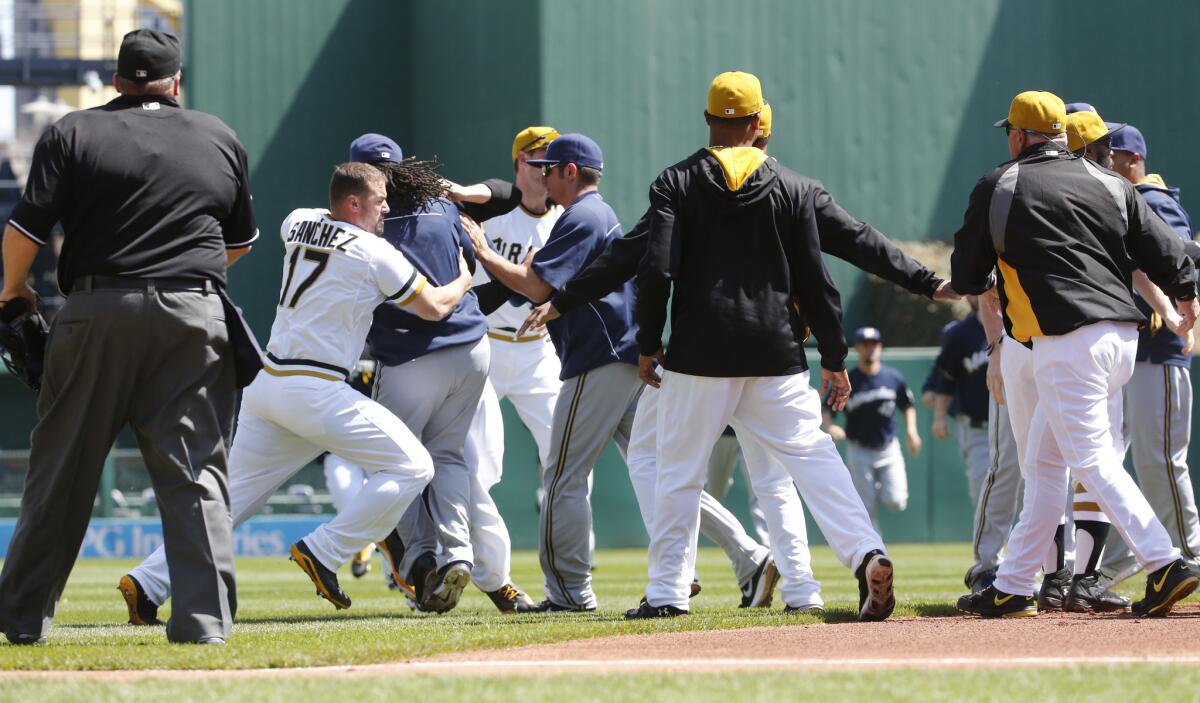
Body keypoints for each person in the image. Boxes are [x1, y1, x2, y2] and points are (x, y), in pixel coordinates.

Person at [121, 164, 472, 635]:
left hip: (268, 386)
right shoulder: (375, 252)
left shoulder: (297, 220)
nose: (387, 207)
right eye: (380, 198)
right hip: (314, 387)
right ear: (353, 204)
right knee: (414, 466)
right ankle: (324, 551)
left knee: (230, 501)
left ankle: (146, 581)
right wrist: (465, 279)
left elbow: (318, 237)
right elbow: (434, 307)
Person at [0, 29, 257, 646]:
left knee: (61, 470)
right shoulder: (217, 134)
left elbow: (25, 232)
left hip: (97, 307)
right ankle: (202, 625)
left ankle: (19, 621)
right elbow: (240, 243)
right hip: (193, 312)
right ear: (176, 84)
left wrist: (13, 293)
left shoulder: (73, 131)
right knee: (195, 473)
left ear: (116, 80)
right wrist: (184, 277)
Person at [629, 70, 894, 621]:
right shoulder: (793, 186)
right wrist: (835, 357)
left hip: (699, 354)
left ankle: (667, 595)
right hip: (776, 354)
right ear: (756, 123)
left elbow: (655, 269)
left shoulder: (673, 182)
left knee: (679, 473)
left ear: (708, 121)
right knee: (816, 459)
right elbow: (817, 279)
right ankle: (866, 553)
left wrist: (649, 341)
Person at [952, 90, 1199, 619]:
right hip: (1121, 340)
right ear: (1064, 135)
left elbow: (967, 275)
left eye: (1010, 134)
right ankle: (1015, 584)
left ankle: (1165, 562)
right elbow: (1164, 248)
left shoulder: (1000, 184)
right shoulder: (1110, 181)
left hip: (1067, 340)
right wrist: (1186, 293)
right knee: (1044, 465)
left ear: (1018, 136)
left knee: (1090, 459)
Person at [352, 134, 534, 615]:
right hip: (473, 349)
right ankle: (458, 553)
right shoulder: (440, 204)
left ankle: (425, 559)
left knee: (396, 462)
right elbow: (494, 216)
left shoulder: (365, 221)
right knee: (449, 458)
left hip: (411, 356)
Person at [467, 133, 639, 612]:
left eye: (550, 166)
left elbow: (534, 283)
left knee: (562, 474)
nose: (542, 174)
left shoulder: (581, 216)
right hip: (620, 355)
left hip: (596, 358)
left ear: (570, 171)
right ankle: (740, 559)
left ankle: (569, 592)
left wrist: (484, 253)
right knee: (653, 469)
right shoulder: (594, 214)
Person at [1099, 122, 1200, 584]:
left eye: (1110, 152)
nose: (1103, 158)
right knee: (1116, 464)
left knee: (1160, 461)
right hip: (1131, 354)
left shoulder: (1155, 201)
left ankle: (1192, 556)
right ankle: (1116, 563)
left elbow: (1182, 259)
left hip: (1159, 352)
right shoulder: (1123, 200)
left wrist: (1169, 301)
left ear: (1132, 159)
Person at [824, 327, 921, 530]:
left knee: (896, 501)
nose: (870, 349)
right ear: (858, 348)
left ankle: (877, 485)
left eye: (874, 344)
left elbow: (907, 405)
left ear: (880, 346)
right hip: (859, 449)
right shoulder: (848, 381)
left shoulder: (893, 377)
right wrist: (830, 426)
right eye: (865, 344)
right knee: (865, 509)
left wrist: (911, 431)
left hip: (888, 447)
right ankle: (876, 548)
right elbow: (827, 409)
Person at [931, 297, 992, 508]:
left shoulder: (1015, 325)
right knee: (984, 498)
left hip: (1017, 427)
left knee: (1028, 497)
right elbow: (946, 379)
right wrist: (939, 416)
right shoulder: (959, 334)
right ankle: (988, 543)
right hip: (978, 429)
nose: (978, 294)